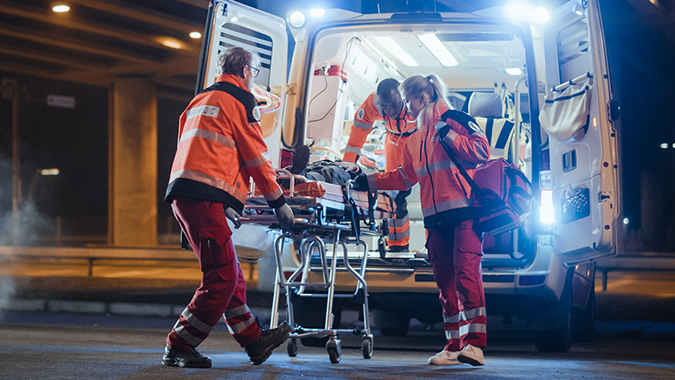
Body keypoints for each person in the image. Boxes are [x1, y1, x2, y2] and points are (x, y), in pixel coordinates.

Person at [162, 46, 293, 368]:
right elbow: (255, 158)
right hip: (204, 198)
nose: (254, 78)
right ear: (246, 70)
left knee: (230, 274)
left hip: (187, 193)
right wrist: (279, 203)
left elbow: (197, 151)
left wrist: (227, 200)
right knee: (220, 277)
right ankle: (179, 345)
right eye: (255, 72)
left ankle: (253, 340)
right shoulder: (241, 102)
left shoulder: (199, 100)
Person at [352, 74, 490, 366]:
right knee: (445, 284)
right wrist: (368, 181)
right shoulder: (415, 137)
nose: (408, 108)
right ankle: (453, 346)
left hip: (464, 214)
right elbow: (404, 178)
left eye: (410, 101)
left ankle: (475, 345)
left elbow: (481, 151)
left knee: (467, 276)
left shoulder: (455, 119)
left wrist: (448, 134)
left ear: (423, 98)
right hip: (435, 220)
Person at [343, 78, 418, 252]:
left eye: (395, 105)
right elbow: (359, 131)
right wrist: (348, 163)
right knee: (395, 194)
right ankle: (398, 246)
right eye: (387, 107)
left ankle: (434, 246)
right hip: (394, 142)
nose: (391, 111)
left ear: (403, 97)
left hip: (419, 137)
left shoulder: (414, 100)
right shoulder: (373, 103)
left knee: (431, 193)